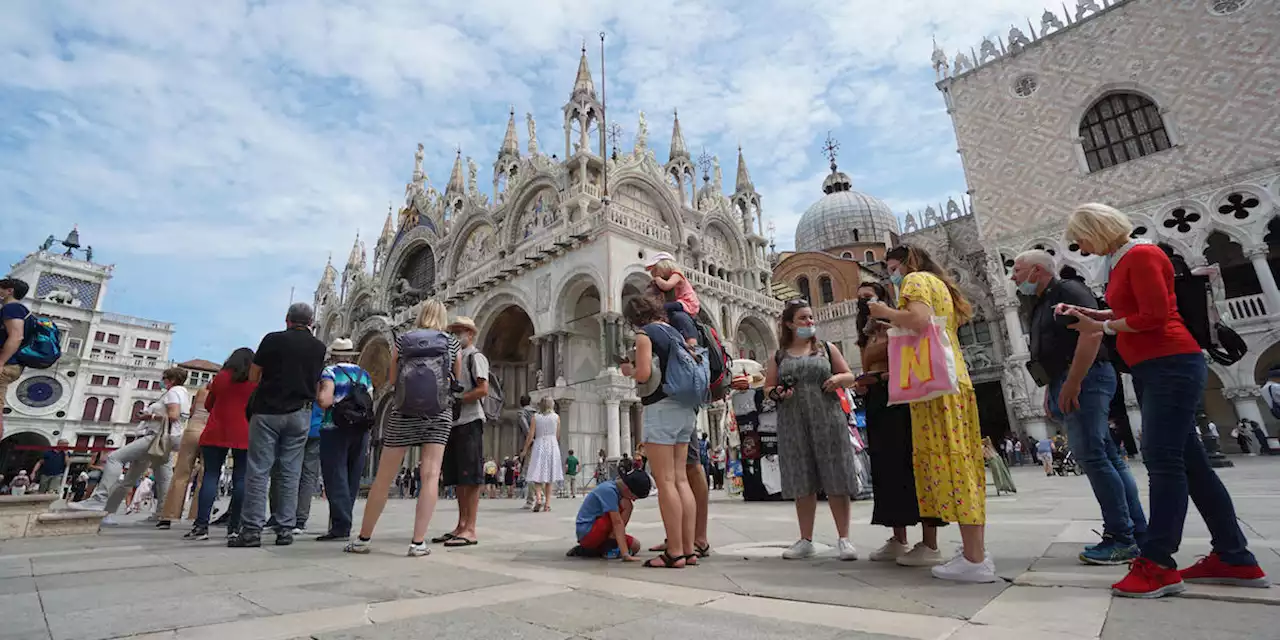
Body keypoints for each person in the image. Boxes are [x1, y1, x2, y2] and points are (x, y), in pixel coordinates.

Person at [1060, 203, 1270, 598]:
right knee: (1193, 467)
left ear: (1098, 228)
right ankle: (1235, 556)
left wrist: (1102, 326)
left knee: (1162, 461)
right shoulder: (1122, 260)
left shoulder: (1142, 254)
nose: (1079, 245)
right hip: (1153, 366)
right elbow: (1132, 311)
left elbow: (1155, 315)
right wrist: (1091, 312)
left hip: (1169, 362)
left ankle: (1157, 563)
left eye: (1081, 235)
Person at [868, 244, 994, 583]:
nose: (891, 275)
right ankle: (974, 552)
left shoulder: (915, 280)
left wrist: (885, 312)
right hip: (953, 381)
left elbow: (919, 319)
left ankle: (974, 558)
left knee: (952, 464)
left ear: (906, 263)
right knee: (963, 464)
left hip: (934, 386)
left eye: (892, 267)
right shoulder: (940, 285)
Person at [1013, 249, 1148, 564]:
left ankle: (1122, 538)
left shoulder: (1070, 291)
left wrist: (1074, 382)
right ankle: (1135, 532)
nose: (1013, 276)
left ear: (1036, 271)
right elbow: (1051, 348)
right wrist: (1052, 388)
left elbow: (1092, 335)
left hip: (1086, 376)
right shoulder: (1042, 301)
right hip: (1068, 378)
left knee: (1095, 458)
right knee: (1106, 457)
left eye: (1017, 270)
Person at [348, 300, 460, 557]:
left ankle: (363, 538)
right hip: (438, 412)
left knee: (383, 477)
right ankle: (418, 543)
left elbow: (392, 378)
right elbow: (456, 379)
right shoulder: (451, 342)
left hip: (403, 412)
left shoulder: (403, 340)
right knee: (430, 475)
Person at [853, 281, 945, 566]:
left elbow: (913, 360)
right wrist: (865, 383)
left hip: (906, 402)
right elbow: (871, 367)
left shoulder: (900, 324)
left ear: (883, 299)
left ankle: (930, 543)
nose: (863, 303)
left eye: (868, 297)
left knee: (913, 465)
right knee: (887, 468)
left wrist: (881, 378)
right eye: (859, 299)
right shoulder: (866, 334)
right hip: (879, 402)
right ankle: (898, 538)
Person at [765, 299, 860, 562]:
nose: (809, 322)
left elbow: (850, 375)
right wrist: (778, 393)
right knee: (801, 478)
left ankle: (844, 539)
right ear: (789, 324)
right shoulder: (779, 355)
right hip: (793, 421)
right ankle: (805, 539)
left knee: (836, 476)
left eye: (810, 318)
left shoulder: (827, 350)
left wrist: (839, 379)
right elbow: (767, 387)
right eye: (803, 319)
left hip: (828, 419)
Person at [230, 302, 326, 548]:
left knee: (259, 469)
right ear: (311, 322)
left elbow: (253, 376)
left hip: (267, 412)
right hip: (300, 414)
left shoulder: (272, 339)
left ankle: (251, 530)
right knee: (291, 472)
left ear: (287, 320)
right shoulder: (318, 347)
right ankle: (285, 529)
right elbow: (317, 383)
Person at [620, 294, 697, 568]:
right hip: (685, 410)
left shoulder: (645, 335)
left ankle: (674, 552)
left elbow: (642, 374)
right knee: (680, 480)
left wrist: (628, 369)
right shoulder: (673, 332)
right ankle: (689, 550)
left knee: (664, 481)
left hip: (661, 408)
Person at [69, 368, 191, 525]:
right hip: (169, 439)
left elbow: (173, 416)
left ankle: (99, 501)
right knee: (161, 477)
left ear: (172, 380)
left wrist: (150, 416)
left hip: (157, 438)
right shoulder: (184, 393)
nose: (162, 380)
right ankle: (162, 514)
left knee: (115, 458)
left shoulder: (173, 392)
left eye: (164, 377)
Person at [188, 348, 255, 541]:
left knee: (210, 476)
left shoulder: (221, 377)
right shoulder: (254, 380)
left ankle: (201, 526)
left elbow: (209, 404)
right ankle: (234, 527)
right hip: (244, 432)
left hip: (216, 430)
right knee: (241, 479)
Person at [433, 316, 489, 548]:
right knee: (457, 478)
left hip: (470, 421)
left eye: (460, 331)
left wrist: (459, 399)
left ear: (470, 334)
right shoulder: (453, 357)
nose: (456, 335)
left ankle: (471, 529)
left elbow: (483, 389)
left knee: (471, 478)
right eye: (453, 332)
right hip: (454, 423)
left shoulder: (476, 357)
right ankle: (460, 524)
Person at [314, 338, 373, 542]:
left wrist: (319, 394)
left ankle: (341, 525)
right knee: (352, 477)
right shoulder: (363, 374)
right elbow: (369, 402)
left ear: (334, 355)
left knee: (334, 475)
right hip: (360, 429)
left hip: (334, 428)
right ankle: (343, 521)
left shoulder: (330, 372)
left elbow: (325, 400)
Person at [568, 469, 651, 559]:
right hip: (588, 531)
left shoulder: (618, 491)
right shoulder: (608, 491)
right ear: (627, 490)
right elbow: (617, 523)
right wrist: (625, 554)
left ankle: (599, 549)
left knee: (635, 545)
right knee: (618, 512)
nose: (633, 500)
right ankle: (609, 545)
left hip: (603, 533)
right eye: (634, 497)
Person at [158, 385, 210, 529]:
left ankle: (169, 515)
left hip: (193, 429)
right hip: (210, 430)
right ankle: (196, 515)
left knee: (181, 473)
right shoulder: (227, 389)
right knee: (205, 476)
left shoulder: (203, 389)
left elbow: (192, 410)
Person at [644, 252, 701, 347]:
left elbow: (666, 286)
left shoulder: (677, 275)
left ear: (664, 266)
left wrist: (658, 279)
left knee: (667, 309)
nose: (656, 275)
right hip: (681, 302)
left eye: (657, 271)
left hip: (687, 302)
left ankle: (692, 344)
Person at [0, 277, 31, 441]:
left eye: (1, 288)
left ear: (9, 291)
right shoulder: (19, 310)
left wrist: (1, 362)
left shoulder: (12, 308)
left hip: (7, 365)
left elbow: (16, 336)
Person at [521, 396, 564, 512]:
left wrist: (525, 450)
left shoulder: (536, 417)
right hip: (552, 445)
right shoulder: (556, 417)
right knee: (550, 476)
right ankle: (547, 504)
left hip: (539, 444)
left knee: (537, 473)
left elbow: (530, 435)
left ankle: (539, 498)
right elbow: (557, 435)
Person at [515, 395, 537, 509]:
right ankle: (539, 496)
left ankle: (531, 500)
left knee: (530, 472)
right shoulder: (536, 412)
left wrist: (530, 441)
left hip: (530, 444)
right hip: (539, 443)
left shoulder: (522, 413)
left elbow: (525, 427)